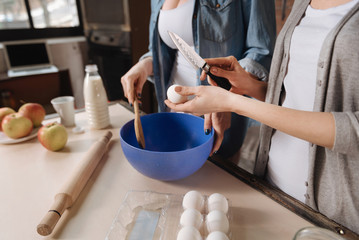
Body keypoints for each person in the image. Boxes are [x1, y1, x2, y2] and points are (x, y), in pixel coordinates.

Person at [165, 0, 359, 234]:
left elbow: (353, 130)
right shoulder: (304, 3)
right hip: (273, 187)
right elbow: (297, 96)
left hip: (331, 215)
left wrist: (234, 103)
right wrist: (252, 86)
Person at [121, 0, 276, 158]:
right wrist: (145, 65)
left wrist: (228, 99)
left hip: (217, 115)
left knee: (216, 177)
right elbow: (164, 51)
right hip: (172, 112)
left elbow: (261, 50)